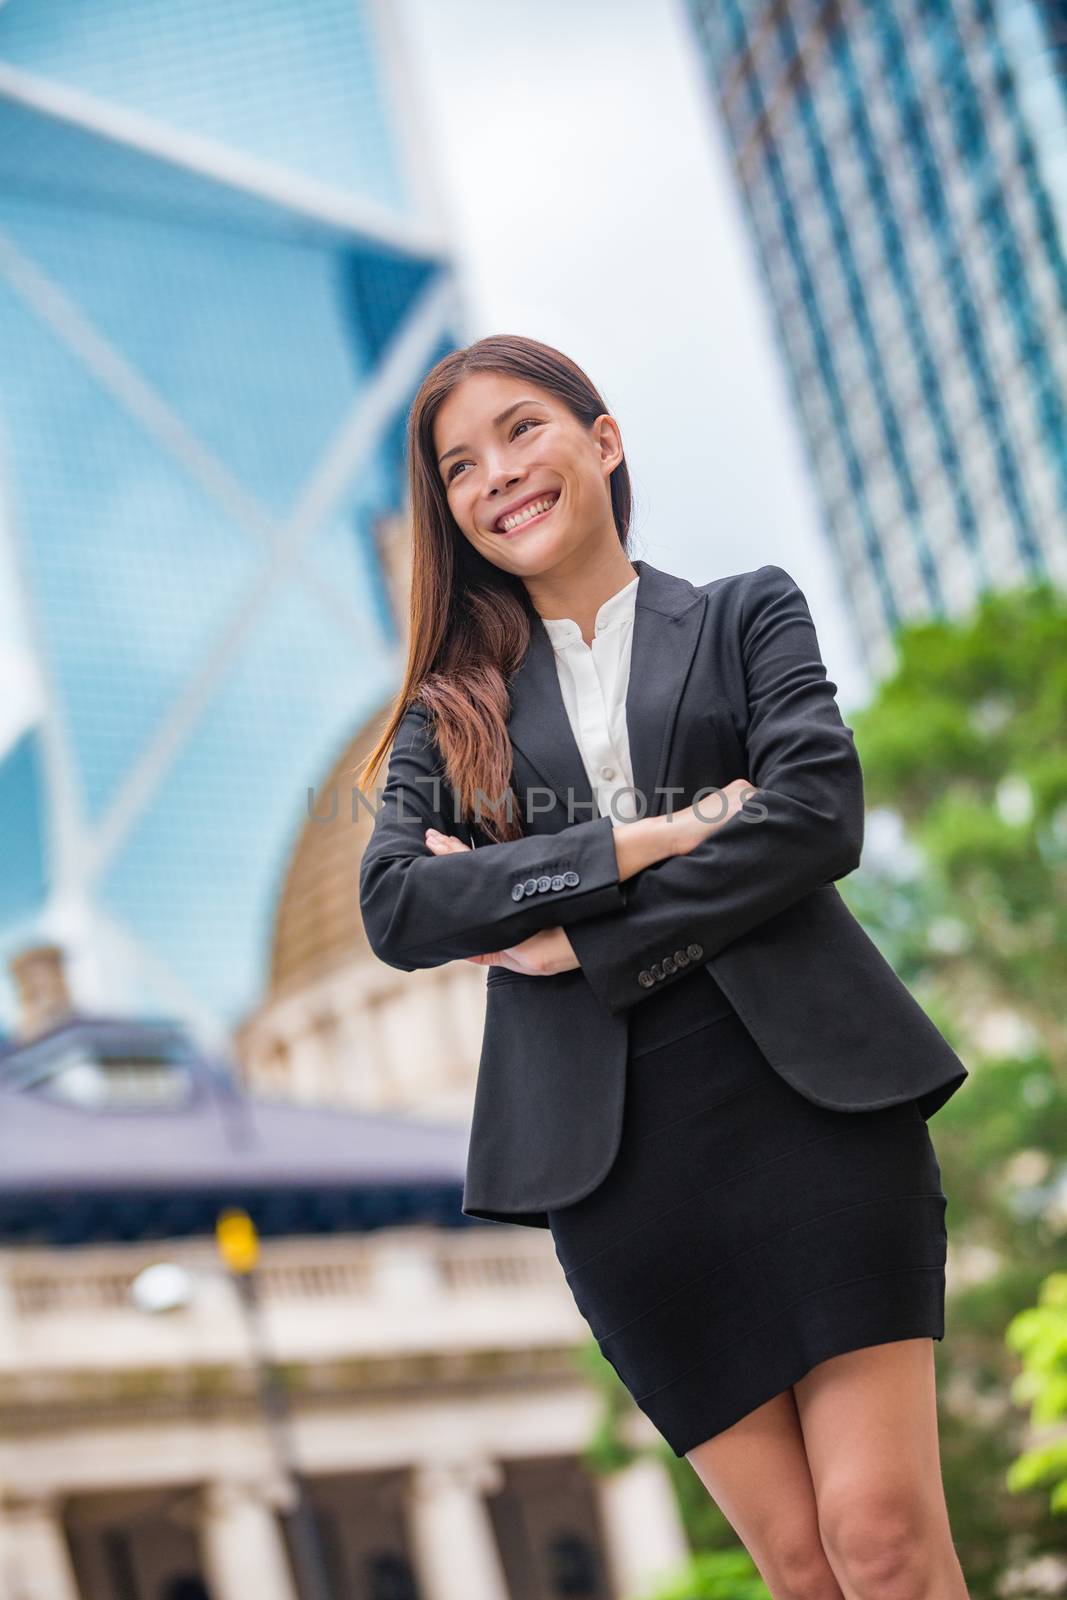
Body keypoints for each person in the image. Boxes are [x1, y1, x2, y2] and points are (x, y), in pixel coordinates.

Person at [358, 334, 970, 1598]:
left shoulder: (747, 612)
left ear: (602, 438)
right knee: (800, 1569)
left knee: (883, 1542)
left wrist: (580, 933)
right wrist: (662, 834)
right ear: (452, 514)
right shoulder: (444, 712)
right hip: (620, 1166)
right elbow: (400, 903)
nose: (497, 476)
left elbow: (812, 818)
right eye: (459, 467)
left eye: (522, 429)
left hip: (814, 1110)